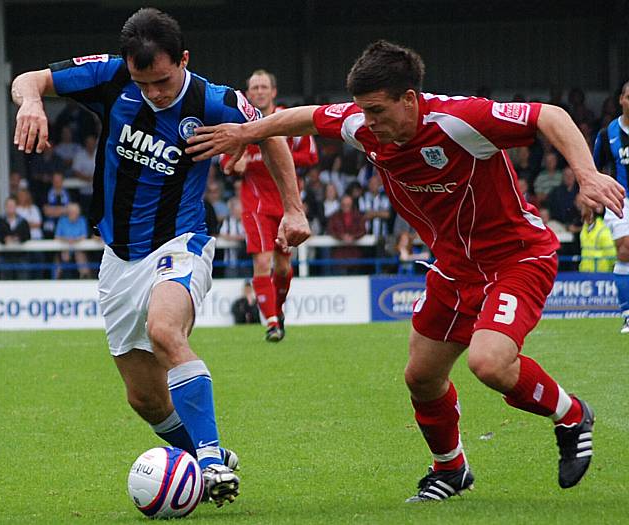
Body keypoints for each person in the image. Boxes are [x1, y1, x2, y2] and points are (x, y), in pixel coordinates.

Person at [187, 40, 625, 500]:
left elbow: (548, 115)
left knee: (488, 362)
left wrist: (587, 173)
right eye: (363, 111)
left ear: (410, 99)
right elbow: (305, 116)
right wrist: (244, 133)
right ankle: (451, 469)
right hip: (454, 269)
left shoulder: (459, 120)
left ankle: (572, 414)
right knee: (421, 376)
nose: (368, 123)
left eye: (377, 111)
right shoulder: (364, 124)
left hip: (516, 257)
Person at [12, 7, 310, 507]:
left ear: (184, 60)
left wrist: (294, 209)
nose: (153, 92)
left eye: (163, 81)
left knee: (165, 331)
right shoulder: (109, 74)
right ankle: (201, 457)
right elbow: (28, 79)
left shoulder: (212, 100)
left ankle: (211, 461)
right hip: (118, 257)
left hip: (181, 241)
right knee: (145, 399)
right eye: (142, 82)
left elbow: (273, 131)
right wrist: (31, 105)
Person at [222, 69, 318, 341]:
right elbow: (226, 161)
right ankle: (272, 322)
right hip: (255, 204)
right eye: (255, 87)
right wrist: (235, 164)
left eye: (264, 86)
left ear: (273, 92)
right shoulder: (239, 124)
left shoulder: (289, 120)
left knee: (284, 268)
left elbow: (310, 155)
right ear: (248, 93)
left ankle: (279, 309)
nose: (260, 91)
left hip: (287, 202)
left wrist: (272, 157)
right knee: (262, 261)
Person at [593, 80, 629, 334]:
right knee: (625, 250)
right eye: (628, 96)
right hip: (621, 199)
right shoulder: (608, 134)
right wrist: (591, 199)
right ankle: (628, 313)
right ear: (621, 100)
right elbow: (594, 169)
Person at [54, 202, 91, 279]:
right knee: (64, 256)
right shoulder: (62, 220)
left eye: (75, 213)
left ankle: (84, 278)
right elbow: (57, 237)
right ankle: (57, 279)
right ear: (68, 213)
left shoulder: (82, 220)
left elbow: (84, 236)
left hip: (78, 248)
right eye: (71, 212)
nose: (73, 214)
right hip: (64, 247)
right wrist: (67, 240)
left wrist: (74, 240)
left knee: (80, 255)